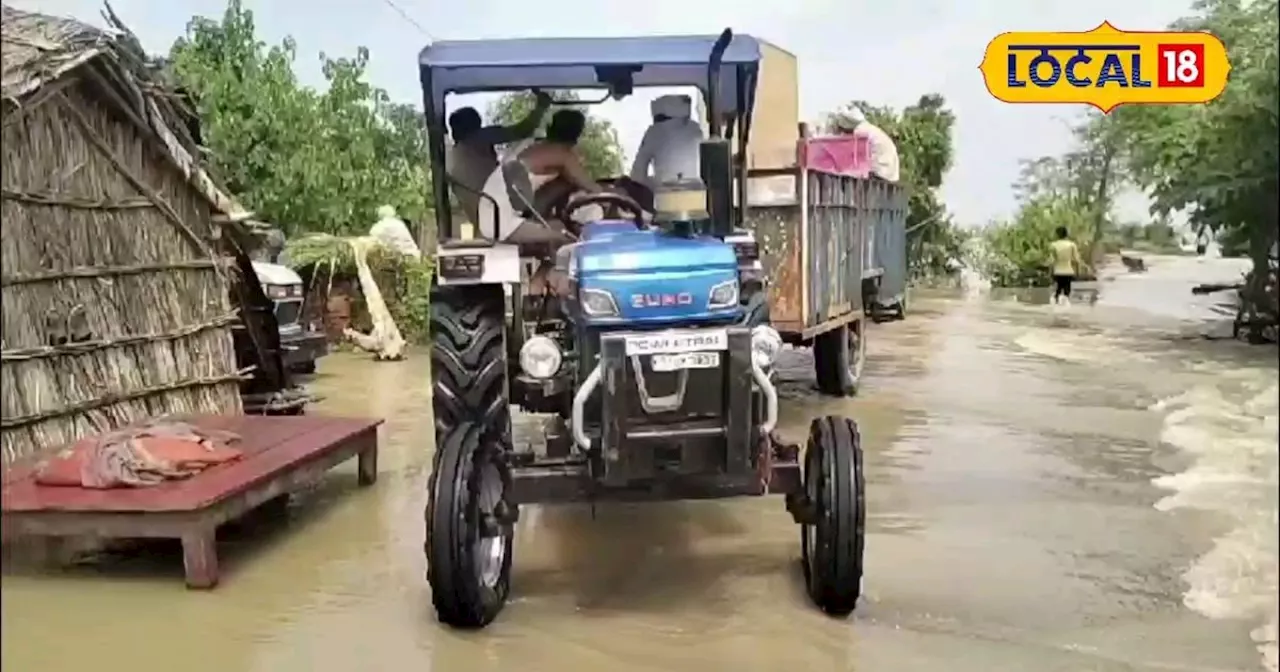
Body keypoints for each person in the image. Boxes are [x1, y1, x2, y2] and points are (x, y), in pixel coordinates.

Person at [447, 90, 552, 226]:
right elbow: (523, 130)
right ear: (476, 126)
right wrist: (541, 107)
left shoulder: (454, 155)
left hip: (482, 212)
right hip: (497, 208)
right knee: (542, 177)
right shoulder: (478, 137)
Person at [628, 94, 704, 192]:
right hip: (698, 196)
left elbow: (637, 175)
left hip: (664, 200)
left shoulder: (654, 132)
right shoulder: (696, 130)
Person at [838, 107, 901, 183]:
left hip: (880, 171)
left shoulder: (860, 132)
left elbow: (853, 158)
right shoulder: (869, 128)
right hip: (891, 173)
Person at [1048, 226, 1083, 305]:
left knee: (1057, 290)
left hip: (1057, 272)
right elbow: (1077, 260)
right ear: (1067, 234)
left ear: (1057, 234)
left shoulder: (1053, 245)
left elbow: (1051, 261)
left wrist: (1050, 273)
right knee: (1067, 293)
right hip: (1068, 271)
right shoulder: (1071, 245)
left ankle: (1056, 307)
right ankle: (1066, 311)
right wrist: (1078, 272)